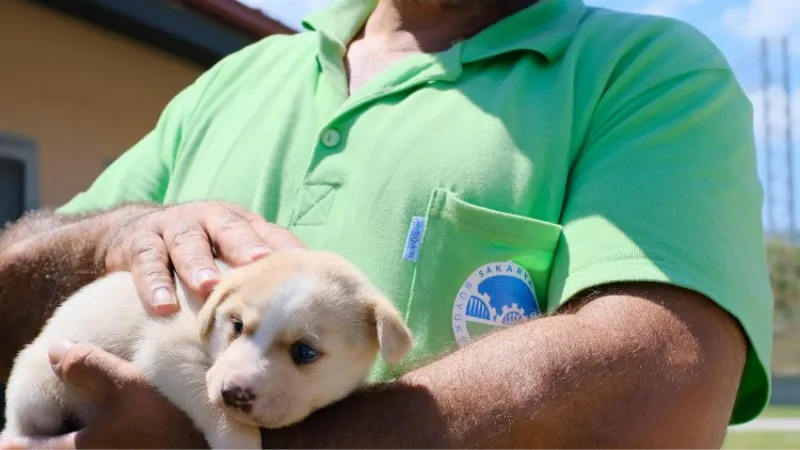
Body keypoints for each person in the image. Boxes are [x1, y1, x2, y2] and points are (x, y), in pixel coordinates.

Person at [0, 0, 774, 448]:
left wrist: (231, 435)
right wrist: (117, 231)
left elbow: (659, 382)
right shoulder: (237, 78)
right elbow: (16, 285)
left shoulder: (645, 72)